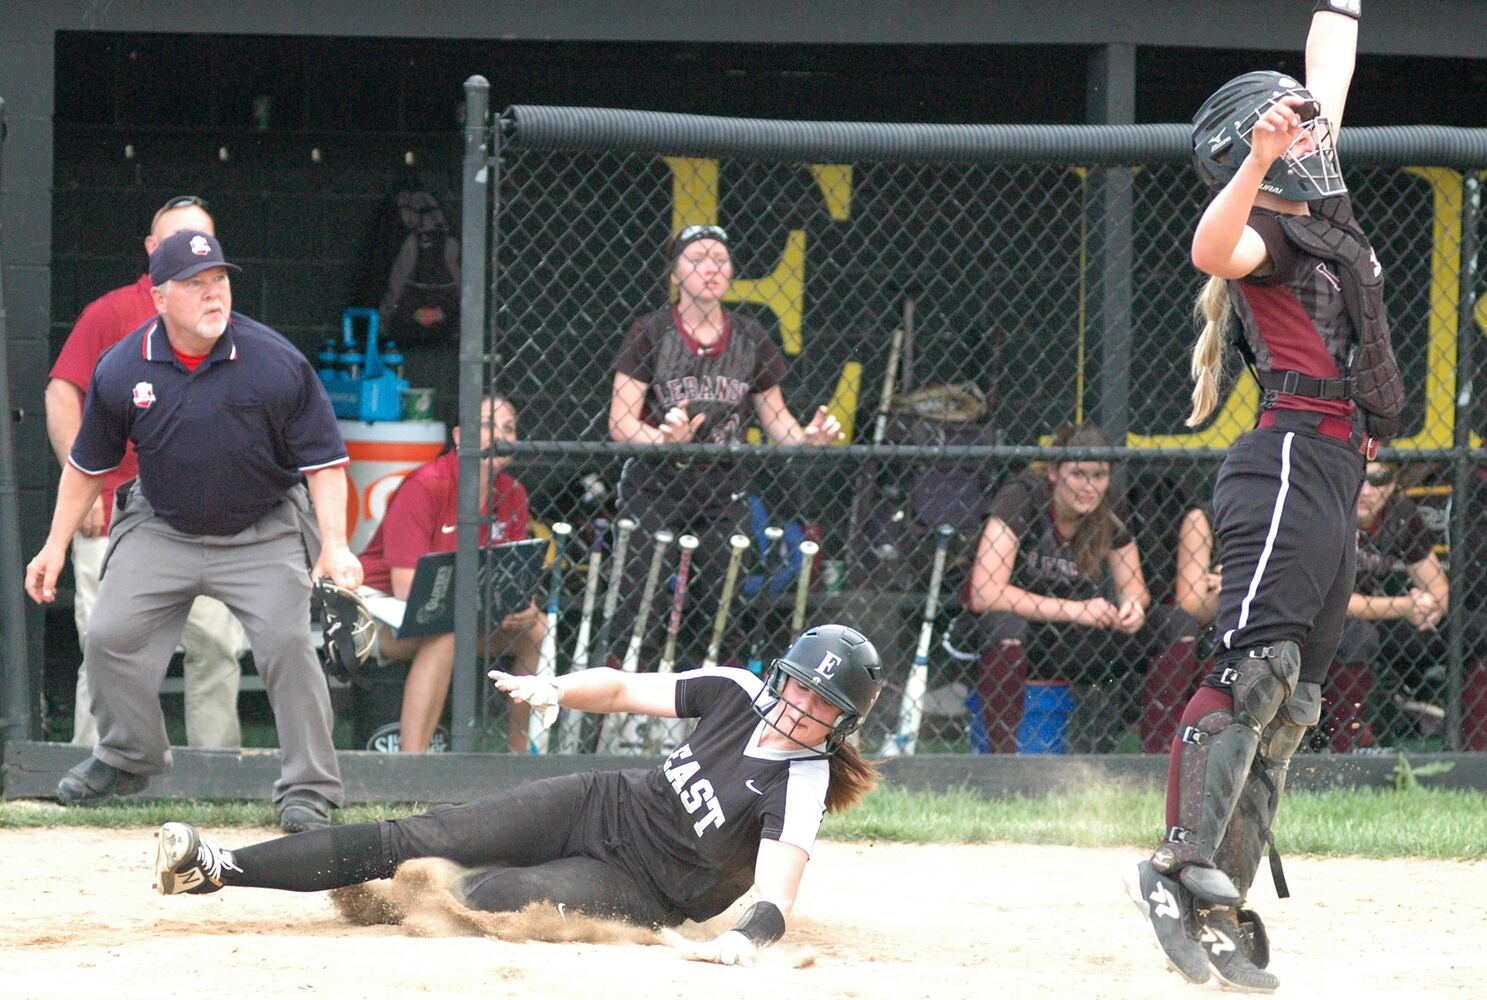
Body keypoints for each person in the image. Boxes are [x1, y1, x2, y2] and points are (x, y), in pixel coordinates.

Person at [1127, 5, 1405, 992]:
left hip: (1334, 468)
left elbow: (1328, 59)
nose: (1314, 137)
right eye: (1298, 133)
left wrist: (1335, 19)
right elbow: (1211, 246)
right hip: (1286, 457)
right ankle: (1171, 863)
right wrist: (1254, 158)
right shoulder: (1271, 237)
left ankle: (1217, 903)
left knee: (1291, 703)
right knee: (1253, 667)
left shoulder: (1325, 217)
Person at [153, 624, 884, 965]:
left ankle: (397, 896)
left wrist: (737, 943)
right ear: (780, 673)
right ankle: (216, 866)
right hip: (601, 802)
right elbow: (626, 686)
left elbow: (777, 898)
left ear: (841, 723)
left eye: (820, 703)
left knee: (494, 896)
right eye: (795, 684)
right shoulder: (738, 691)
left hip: (642, 886)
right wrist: (555, 688)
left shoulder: (804, 779)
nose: (796, 705)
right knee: (417, 835)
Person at [24, 230, 363, 833]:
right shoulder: (123, 365)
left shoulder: (275, 360)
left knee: (287, 644)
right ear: (159, 298)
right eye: (195, 285)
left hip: (261, 527)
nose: (214, 295)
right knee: (107, 635)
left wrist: (334, 545)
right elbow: (87, 466)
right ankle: (129, 756)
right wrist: (53, 545)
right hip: (163, 524)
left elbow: (325, 463)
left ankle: (310, 788)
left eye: (220, 281)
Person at [45, 195, 246, 749]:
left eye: (203, 243)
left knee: (217, 647)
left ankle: (217, 774)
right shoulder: (111, 312)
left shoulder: (227, 320)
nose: (192, 255)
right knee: (107, 646)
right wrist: (80, 487)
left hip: (205, 516)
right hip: (117, 510)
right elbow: (62, 391)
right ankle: (98, 766)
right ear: (152, 250)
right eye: (177, 241)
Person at [608, 225, 841, 662]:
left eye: (719, 260)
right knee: (641, 604)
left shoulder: (750, 335)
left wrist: (808, 439)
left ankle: (712, 711)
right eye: (697, 259)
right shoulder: (652, 330)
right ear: (675, 274)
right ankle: (617, 713)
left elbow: (778, 421)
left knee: (721, 609)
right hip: (656, 486)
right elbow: (620, 422)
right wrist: (660, 439)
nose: (710, 269)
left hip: (721, 488)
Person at [946, 422, 1197, 753]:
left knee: (1176, 624)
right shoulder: (1021, 496)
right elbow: (984, 592)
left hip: (1075, 639)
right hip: (1012, 637)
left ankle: (1160, 760)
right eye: (1079, 474)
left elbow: (1134, 589)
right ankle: (1000, 763)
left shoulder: (1109, 505)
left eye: (1099, 476)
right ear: (1054, 472)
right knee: (1006, 623)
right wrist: (1079, 610)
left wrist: (1132, 609)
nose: (1089, 487)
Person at [357, 394, 546, 753]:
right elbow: (404, 586)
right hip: (380, 616)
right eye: (488, 425)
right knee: (446, 634)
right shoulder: (426, 485)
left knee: (534, 628)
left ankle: (518, 755)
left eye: (508, 428)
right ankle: (412, 767)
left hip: (464, 614)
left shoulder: (513, 494)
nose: (500, 435)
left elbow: (513, 574)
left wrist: (521, 605)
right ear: (460, 437)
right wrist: (481, 604)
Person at [1325, 460, 1463, 751]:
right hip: (1327, 620)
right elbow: (1340, 603)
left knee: (1465, 628)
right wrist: (1406, 606)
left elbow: (1438, 589)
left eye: (1380, 480)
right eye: (1361, 478)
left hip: (1381, 613)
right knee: (1359, 634)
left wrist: (1427, 605)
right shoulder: (1333, 512)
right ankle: (1344, 747)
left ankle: (1459, 736)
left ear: (1393, 484)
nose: (1367, 491)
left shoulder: (1400, 514)